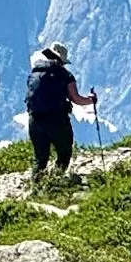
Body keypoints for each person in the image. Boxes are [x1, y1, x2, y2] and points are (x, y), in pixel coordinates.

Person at [25, 43, 97, 181]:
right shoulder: (65, 75)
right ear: (62, 60)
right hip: (56, 120)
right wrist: (91, 100)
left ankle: (36, 187)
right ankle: (56, 180)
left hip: (34, 119)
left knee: (40, 158)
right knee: (64, 153)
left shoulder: (35, 73)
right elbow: (76, 99)